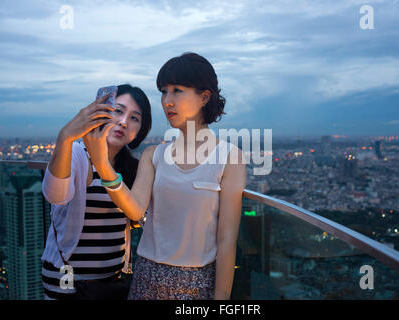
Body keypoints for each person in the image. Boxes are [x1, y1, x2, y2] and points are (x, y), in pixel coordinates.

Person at [85, 52, 246, 300]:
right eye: (163, 91)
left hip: (197, 284)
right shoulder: (153, 156)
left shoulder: (229, 158)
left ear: (204, 97)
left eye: (177, 90)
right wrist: (102, 165)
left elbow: (226, 241)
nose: (166, 101)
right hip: (146, 277)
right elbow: (136, 210)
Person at [41, 84, 152, 300]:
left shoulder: (131, 168)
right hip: (67, 279)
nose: (123, 122)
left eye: (135, 118)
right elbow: (56, 196)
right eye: (118, 111)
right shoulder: (76, 154)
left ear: (140, 131)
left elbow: (139, 216)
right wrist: (65, 137)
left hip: (111, 282)